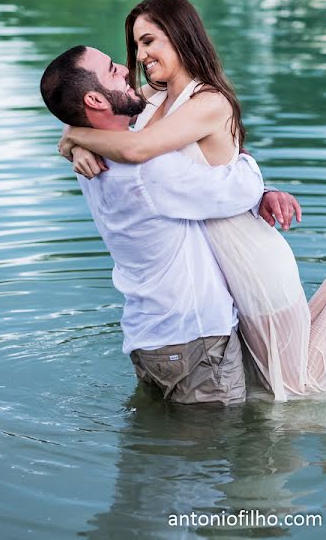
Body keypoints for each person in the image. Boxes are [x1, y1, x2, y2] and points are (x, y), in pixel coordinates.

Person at [58, 0, 326, 402]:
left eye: (149, 41)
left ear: (180, 37)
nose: (140, 56)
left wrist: (76, 137)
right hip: (216, 268)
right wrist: (75, 140)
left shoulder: (209, 101)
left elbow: (139, 151)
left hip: (247, 253)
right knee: (273, 382)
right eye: (138, 44)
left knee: (295, 387)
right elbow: (110, 123)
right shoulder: (151, 101)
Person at [41, 44, 290, 406]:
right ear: (95, 99)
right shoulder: (147, 169)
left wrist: (74, 139)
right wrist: (249, 166)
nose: (127, 70)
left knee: (163, 454)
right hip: (194, 341)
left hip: (147, 338)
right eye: (112, 70)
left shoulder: (91, 157)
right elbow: (241, 189)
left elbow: (83, 117)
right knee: (209, 453)